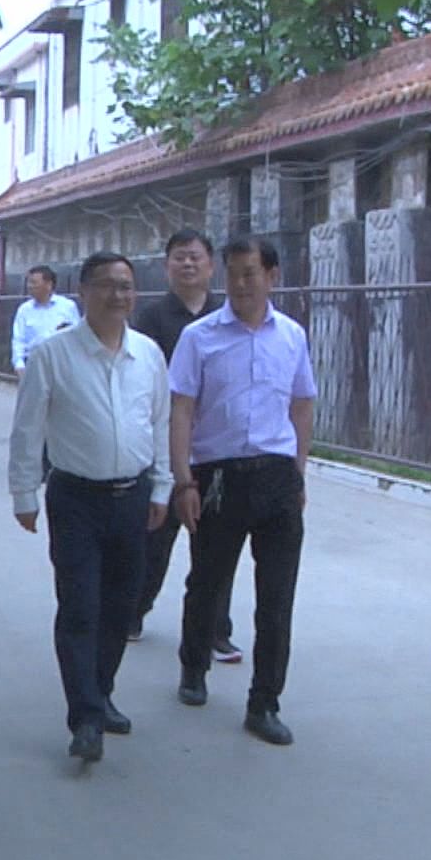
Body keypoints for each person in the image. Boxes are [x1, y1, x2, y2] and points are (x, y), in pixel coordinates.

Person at [8, 252, 172, 764]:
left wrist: (163, 486)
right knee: (80, 607)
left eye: (126, 286)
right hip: (76, 498)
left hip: (134, 497)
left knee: (120, 607)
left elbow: (159, 423)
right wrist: (23, 492)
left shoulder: (148, 354)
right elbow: (28, 427)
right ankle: (84, 718)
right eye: (106, 286)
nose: (118, 295)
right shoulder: (54, 354)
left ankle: (100, 693)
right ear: (83, 292)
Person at [168, 237, 316, 747]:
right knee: (208, 581)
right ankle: (193, 667)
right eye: (232, 274)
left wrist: (298, 474)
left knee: (277, 597)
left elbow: (301, 407)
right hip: (218, 477)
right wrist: (183, 479)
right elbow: (182, 410)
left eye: (250, 273)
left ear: (271, 275)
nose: (240, 284)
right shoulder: (199, 337)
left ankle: (264, 701)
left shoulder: (292, 336)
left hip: (276, 475)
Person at [128, 229, 240, 662]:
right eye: (179, 258)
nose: (188, 265)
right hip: (164, 443)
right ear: (167, 266)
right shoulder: (153, 319)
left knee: (218, 546)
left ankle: (216, 630)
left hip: (216, 448)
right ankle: (134, 611)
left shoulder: (226, 316)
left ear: (211, 266)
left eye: (195, 258)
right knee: (155, 537)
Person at [9, 264, 79, 374]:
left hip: (62, 365)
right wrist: (19, 364)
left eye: (34, 282)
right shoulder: (24, 310)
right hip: (33, 365)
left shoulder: (67, 307)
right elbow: (18, 339)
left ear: (49, 284)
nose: (29, 286)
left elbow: (76, 337)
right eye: (28, 282)